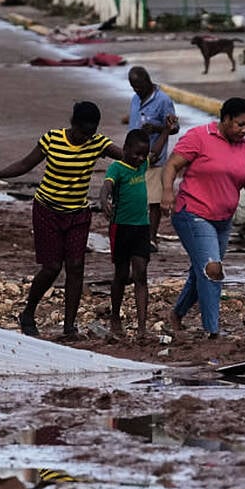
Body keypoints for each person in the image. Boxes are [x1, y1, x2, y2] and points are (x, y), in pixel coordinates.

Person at [0, 102, 123, 338]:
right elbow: (25, 164)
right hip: (47, 210)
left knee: (76, 266)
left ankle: (69, 326)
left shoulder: (98, 143)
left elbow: (128, 156)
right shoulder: (52, 139)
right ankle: (28, 312)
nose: (86, 138)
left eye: (91, 133)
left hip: (78, 213)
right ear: (73, 124)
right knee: (52, 267)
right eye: (82, 133)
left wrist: (152, 145)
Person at [160, 98, 245, 338]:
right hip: (192, 213)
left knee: (202, 271)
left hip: (223, 220)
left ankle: (177, 314)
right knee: (212, 269)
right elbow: (172, 165)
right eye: (239, 124)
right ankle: (212, 331)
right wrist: (167, 191)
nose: (244, 130)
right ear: (225, 119)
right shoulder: (199, 136)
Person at [99, 130, 152, 340]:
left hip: (142, 227)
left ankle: (142, 328)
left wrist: (166, 131)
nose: (140, 158)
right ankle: (115, 318)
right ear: (125, 149)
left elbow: (156, 152)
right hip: (120, 228)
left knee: (141, 274)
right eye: (136, 154)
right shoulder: (117, 167)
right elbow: (107, 186)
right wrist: (104, 200)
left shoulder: (144, 164)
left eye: (143, 155)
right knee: (121, 275)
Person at [126, 66, 178, 251]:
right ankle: (135, 235)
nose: (137, 90)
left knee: (154, 201)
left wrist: (156, 128)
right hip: (134, 158)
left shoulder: (163, 100)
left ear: (148, 82)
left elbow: (174, 127)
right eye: (133, 87)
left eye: (139, 86)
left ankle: (151, 238)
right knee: (135, 198)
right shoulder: (135, 99)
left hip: (155, 157)